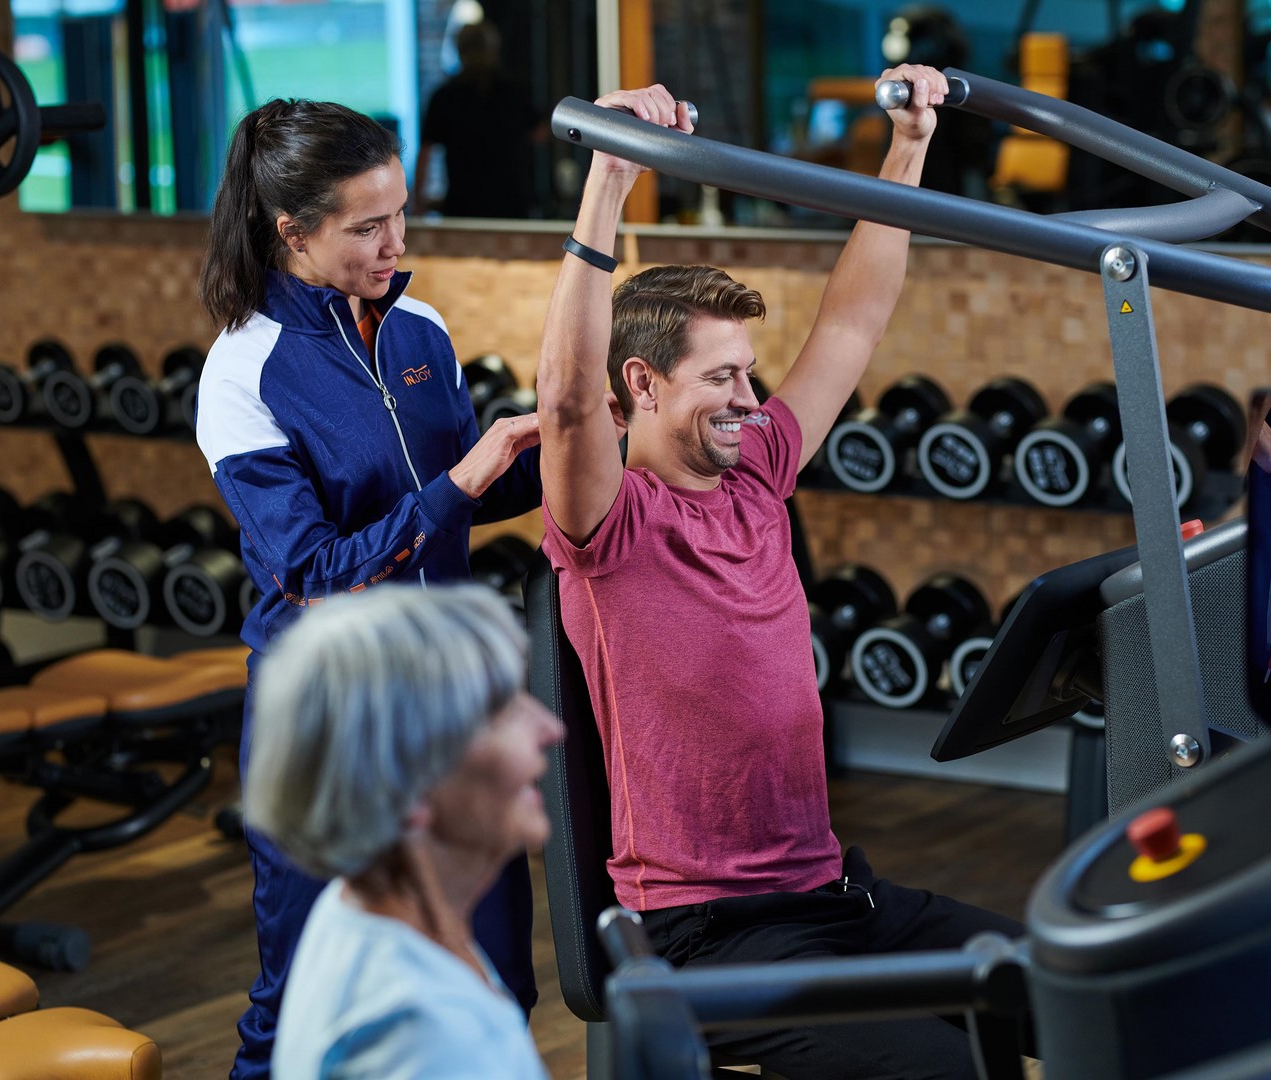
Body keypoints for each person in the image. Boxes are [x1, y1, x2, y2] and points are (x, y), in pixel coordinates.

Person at [535, 73, 1028, 1079]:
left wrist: (908, 145)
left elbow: (853, 325)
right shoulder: (608, 526)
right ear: (643, 384)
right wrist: (609, 181)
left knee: (1087, 987)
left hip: (834, 898)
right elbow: (568, 406)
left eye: (750, 372)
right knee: (946, 1070)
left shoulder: (757, 471)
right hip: (708, 937)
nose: (750, 398)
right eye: (722, 377)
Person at [195, 98, 543, 1080]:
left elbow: (469, 493)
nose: (397, 244)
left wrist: (576, 438)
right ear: (293, 232)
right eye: (367, 226)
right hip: (330, 715)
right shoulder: (244, 371)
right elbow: (313, 576)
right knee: (296, 1005)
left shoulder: (418, 326)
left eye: (399, 215)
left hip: (445, 698)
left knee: (494, 976)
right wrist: (463, 479)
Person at [244, 585, 561, 1080]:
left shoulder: (371, 910)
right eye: (502, 712)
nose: (548, 728)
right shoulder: (418, 1035)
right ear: (406, 786)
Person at [413, 20, 545, 218]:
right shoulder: (514, 91)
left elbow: (425, 153)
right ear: (494, 49)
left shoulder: (445, 96)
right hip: (512, 201)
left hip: (463, 203)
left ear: (459, 50)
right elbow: (539, 134)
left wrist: (419, 202)